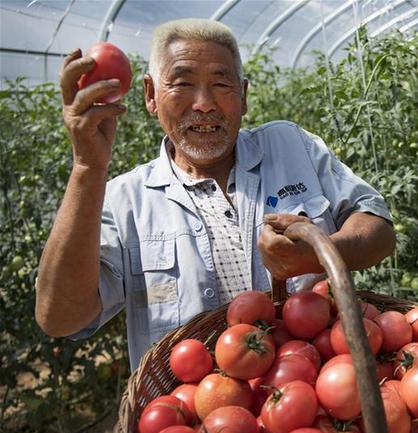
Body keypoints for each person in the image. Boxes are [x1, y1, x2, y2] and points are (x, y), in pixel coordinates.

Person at [34, 19, 395, 370]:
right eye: (182, 84)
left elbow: (379, 230)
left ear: (244, 95)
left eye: (222, 85)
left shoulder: (291, 147)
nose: (204, 103)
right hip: (191, 423)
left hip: (311, 399)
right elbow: (60, 318)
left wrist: (319, 254)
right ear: (150, 95)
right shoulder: (125, 200)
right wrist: (86, 168)